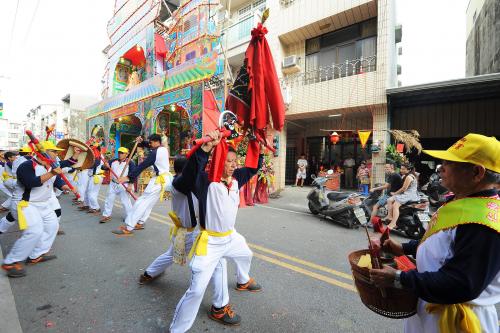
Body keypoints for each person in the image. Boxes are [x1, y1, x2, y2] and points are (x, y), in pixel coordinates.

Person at [369, 133, 500, 333]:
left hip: (456, 322)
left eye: (450, 163)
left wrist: (399, 278)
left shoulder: (482, 223)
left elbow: (461, 283)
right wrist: (403, 247)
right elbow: (443, 244)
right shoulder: (463, 201)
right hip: (432, 308)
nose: (442, 168)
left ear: (477, 172)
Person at [169, 131, 262, 333]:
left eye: (234, 161)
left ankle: (242, 280)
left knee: (246, 253)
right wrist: (205, 149)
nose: (233, 165)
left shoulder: (236, 178)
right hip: (209, 243)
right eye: (228, 161)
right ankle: (177, 329)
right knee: (196, 290)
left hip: (231, 237)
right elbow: (188, 176)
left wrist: (256, 144)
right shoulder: (204, 181)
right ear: (219, 161)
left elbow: (254, 167)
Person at [1, 141, 73, 277]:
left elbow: (56, 181)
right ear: (43, 152)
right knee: (35, 230)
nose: (57, 154)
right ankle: (11, 262)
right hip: (25, 204)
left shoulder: (51, 166)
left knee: (53, 226)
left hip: (43, 203)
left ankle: (36, 254)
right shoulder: (26, 166)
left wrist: (64, 186)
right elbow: (31, 182)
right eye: (54, 151)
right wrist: (52, 173)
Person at [112, 134, 172, 236]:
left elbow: (142, 166)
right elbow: (149, 146)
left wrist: (128, 178)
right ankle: (140, 222)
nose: (149, 145)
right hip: (165, 179)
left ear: (156, 142)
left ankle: (129, 227)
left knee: (141, 201)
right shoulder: (163, 149)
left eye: (151, 142)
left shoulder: (156, 153)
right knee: (149, 203)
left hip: (159, 180)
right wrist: (141, 142)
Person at [99, 147, 135, 223]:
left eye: (122, 153)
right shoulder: (113, 161)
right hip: (113, 183)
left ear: (126, 154)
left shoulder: (130, 162)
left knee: (125, 202)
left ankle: (130, 217)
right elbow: (103, 167)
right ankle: (106, 215)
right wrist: (106, 166)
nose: (120, 154)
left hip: (124, 184)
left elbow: (133, 175)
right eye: (119, 152)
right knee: (109, 199)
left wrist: (130, 186)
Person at [385, 163, 420, 229]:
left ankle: (393, 223)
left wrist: (395, 193)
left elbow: (404, 189)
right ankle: (389, 217)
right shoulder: (406, 176)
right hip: (409, 194)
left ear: (408, 170)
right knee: (389, 200)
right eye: (401, 168)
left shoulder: (409, 177)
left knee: (395, 205)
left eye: (403, 169)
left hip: (409, 195)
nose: (401, 170)